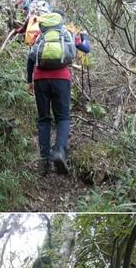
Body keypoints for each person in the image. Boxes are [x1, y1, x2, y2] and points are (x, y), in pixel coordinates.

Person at [27, 10, 90, 175]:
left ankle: (44, 162)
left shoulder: (39, 34)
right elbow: (86, 49)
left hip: (40, 79)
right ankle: (60, 151)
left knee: (43, 119)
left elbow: (30, 58)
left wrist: (29, 81)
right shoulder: (67, 33)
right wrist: (85, 37)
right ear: (60, 20)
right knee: (62, 117)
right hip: (61, 78)